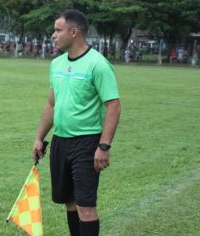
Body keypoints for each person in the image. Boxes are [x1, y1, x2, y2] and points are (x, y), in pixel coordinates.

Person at [32, 9, 121, 236]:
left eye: (58, 30)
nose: (53, 35)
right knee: (70, 202)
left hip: (87, 143)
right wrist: (39, 137)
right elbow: (52, 104)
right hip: (61, 141)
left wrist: (104, 146)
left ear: (73, 32)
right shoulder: (57, 64)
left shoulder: (98, 64)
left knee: (85, 206)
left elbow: (113, 106)